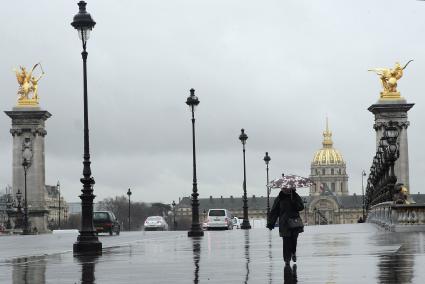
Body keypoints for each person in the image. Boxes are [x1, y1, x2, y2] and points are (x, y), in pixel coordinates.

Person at [267, 187, 304, 266]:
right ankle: (287, 260)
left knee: (294, 240)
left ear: (290, 188)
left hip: (294, 222)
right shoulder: (279, 198)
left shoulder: (295, 196)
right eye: (283, 188)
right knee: (286, 242)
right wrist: (271, 223)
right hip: (284, 223)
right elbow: (274, 211)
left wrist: (294, 201)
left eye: (286, 188)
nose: (284, 189)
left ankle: (293, 252)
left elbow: (301, 207)